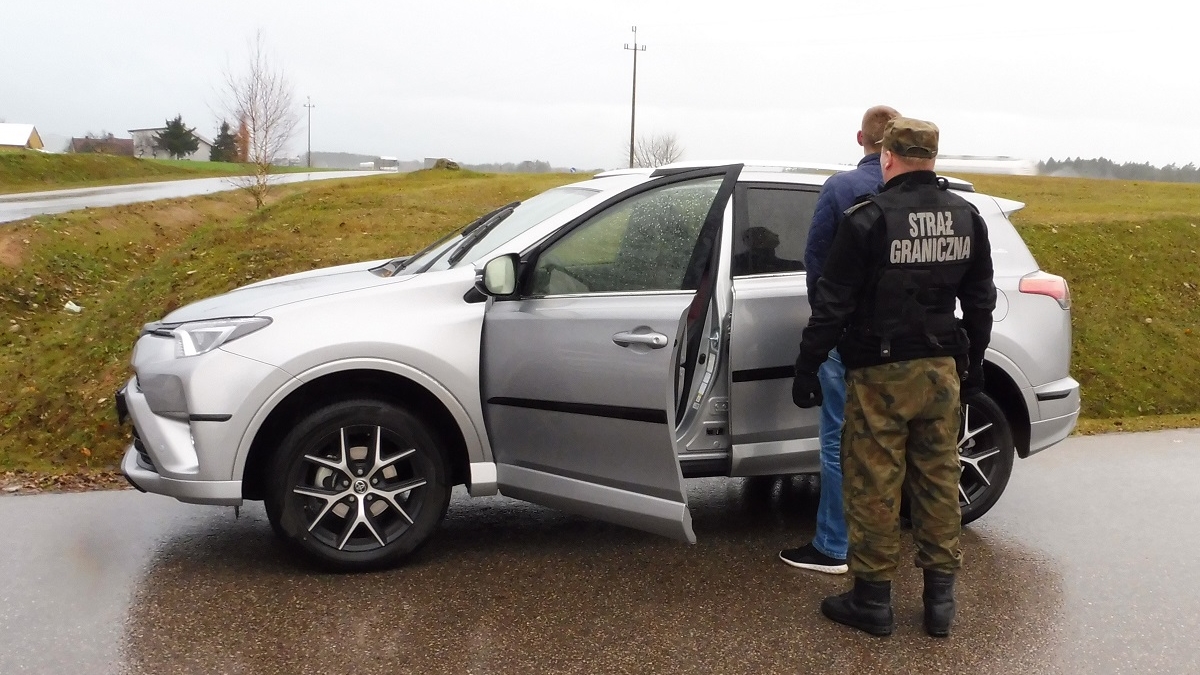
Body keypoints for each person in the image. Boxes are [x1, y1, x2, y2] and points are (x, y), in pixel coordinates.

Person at [791, 117, 996, 638]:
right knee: (938, 481)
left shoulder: (868, 219)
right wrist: (971, 366)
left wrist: (808, 364)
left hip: (880, 373)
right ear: (932, 158)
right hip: (942, 370)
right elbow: (979, 302)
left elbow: (832, 303)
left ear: (887, 157)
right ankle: (940, 602)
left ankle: (873, 601)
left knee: (876, 484)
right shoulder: (967, 217)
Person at [779, 105, 899, 575]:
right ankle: (879, 542)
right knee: (890, 439)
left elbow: (816, 262)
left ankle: (833, 545)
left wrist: (826, 324)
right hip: (900, 340)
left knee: (837, 438)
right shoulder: (926, 195)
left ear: (860, 139)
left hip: (846, 333)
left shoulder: (841, 187)